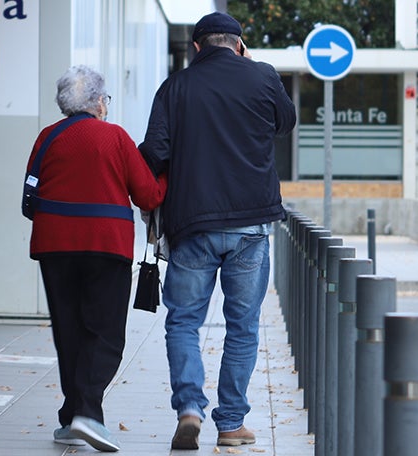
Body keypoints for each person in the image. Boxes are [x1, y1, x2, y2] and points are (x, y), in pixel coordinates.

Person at [138, 11, 297, 450]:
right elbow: (286, 122)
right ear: (239, 44)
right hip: (250, 224)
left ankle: (189, 409)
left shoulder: (176, 87)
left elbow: (154, 152)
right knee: (242, 326)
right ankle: (230, 424)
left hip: (192, 224)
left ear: (196, 47)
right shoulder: (262, 77)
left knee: (184, 321)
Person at [25, 65, 167, 452]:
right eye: (106, 99)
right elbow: (149, 196)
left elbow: (30, 192)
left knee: (68, 330)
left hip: (54, 245)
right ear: (99, 103)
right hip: (106, 246)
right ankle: (88, 413)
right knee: (104, 332)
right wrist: (168, 175)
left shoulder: (47, 137)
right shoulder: (115, 137)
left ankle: (73, 416)